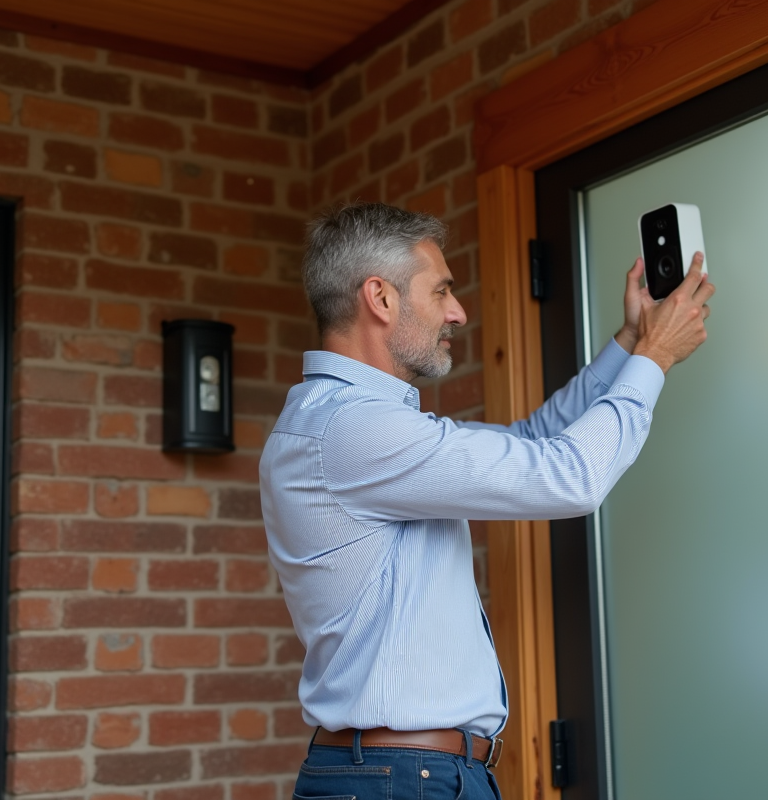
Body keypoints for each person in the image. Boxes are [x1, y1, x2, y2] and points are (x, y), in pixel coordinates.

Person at [260, 203, 713, 800]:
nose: (457, 311)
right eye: (441, 290)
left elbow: (532, 444)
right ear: (381, 298)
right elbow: (569, 476)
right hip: (402, 780)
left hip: (406, 776)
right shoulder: (352, 429)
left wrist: (630, 343)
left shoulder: (354, 425)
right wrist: (655, 359)